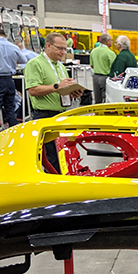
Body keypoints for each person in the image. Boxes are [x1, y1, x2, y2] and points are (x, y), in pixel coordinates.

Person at [24, 32, 84, 171]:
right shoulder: (35, 64)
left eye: (65, 49)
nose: (63, 52)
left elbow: (62, 89)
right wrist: (57, 86)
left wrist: (73, 92)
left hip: (61, 115)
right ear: (48, 46)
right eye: (59, 48)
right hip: (45, 116)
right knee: (52, 157)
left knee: (64, 155)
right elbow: (33, 90)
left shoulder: (60, 66)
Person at [0, 29, 27, 130]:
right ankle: (13, 132)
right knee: (10, 108)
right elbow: (23, 60)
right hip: (9, 80)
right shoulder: (14, 46)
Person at [90, 33, 116, 104]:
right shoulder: (110, 53)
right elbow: (113, 68)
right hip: (105, 78)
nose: (112, 42)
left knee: (97, 100)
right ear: (107, 41)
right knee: (106, 99)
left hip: (95, 77)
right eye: (111, 40)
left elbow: (92, 65)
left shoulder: (93, 51)